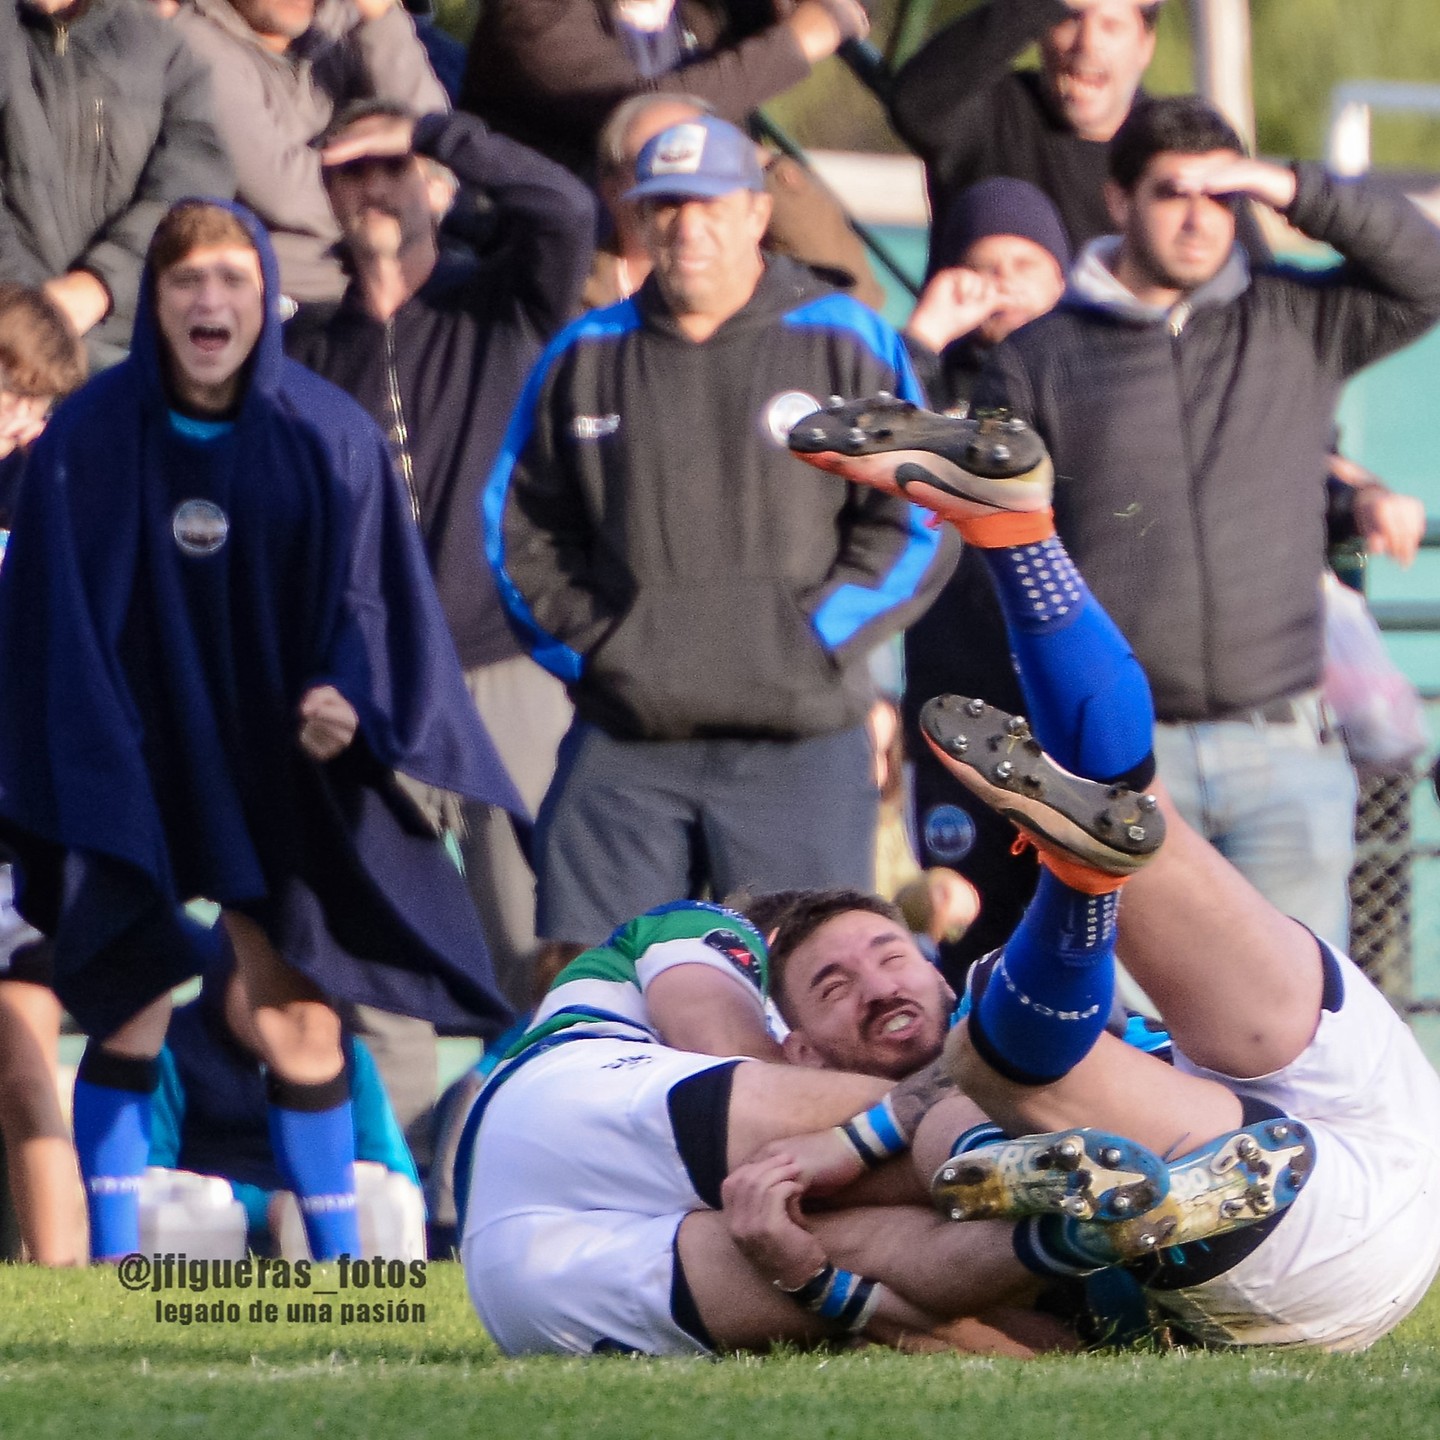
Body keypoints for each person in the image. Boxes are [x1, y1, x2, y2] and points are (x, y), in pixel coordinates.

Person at [782, 389, 1440, 1352]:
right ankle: (1015, 541)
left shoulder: (900, 1112)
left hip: (1330, 1133)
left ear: (924, 948)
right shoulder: (815, 1145)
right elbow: (946, 1320)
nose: (878, 984)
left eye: (883, 949)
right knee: (1003, 1041)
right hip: (1322, 1218)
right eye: (832, 988)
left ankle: (1016, 537)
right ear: (798, 1051)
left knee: (1117, 822)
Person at [0, 199, 521, 1263]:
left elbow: (375, 605)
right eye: (188, 280)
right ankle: (107, 1275)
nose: (210, 301)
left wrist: (347, 696)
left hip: (276, 766)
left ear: (263, 302)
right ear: (156, 301)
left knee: (297, 1019)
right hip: (133, 763)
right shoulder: (87, 437)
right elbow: (50, 614)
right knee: (129, 994)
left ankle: (335, 1274)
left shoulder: (329, 438)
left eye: (233, 279)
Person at [965, 95, 1440, 951]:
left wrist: (1285, 183)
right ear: (1118, 202)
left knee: (1300, 1050)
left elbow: (1425, 269)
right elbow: (996, 548)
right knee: (1146, 1049)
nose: (1199, 217)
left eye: (1221, 197)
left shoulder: (1297, 318)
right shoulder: (1038, 358)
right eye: (1174, 192)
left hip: (1286, 755)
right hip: (1123, 764)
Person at [485, 114, 957, 951]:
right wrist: (607, 650)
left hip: (801, 741)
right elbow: (519, 532)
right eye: (664, 206)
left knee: (814, 1006)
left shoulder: (844, 340)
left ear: (754, 213)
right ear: (639, 220)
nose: (687, 228)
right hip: (629, 741)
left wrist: (806, 640)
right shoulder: (582, 355)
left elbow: (918, 511)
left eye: (709, 204)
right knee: (599, 1002)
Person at [286, 101, 594, 1011]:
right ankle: (394, 1157)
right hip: (373, 683)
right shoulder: (301, 347)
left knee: (544, 949)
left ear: (436, 181)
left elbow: (566, 209)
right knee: (381, 957)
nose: (371, 187)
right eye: (350, 172)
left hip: (506, 665)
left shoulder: (500, 304)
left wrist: (434, 129)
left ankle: (529, 1141)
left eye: (390, 167)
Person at [896, 178, 1072, 976]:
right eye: (981, 264)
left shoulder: (1096, 377)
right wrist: (924, 338)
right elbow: (861, 458)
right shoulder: (925, 385)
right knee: (968, 945)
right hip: (952, 710)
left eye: (1023, 264)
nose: (1001, 282)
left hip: (1069, 712)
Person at [458, 0, 884, 306]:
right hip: (565, 273)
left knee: (842, 302)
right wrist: (805, 37)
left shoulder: (707, 12)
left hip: (697, 258)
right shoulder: (529, 14)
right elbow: (644, 114)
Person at [0, 286, 89, 1265]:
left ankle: (60, 1282)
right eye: (8, 392)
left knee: (27, 1069)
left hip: (24, 831)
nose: (19, 421)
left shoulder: (55, 491)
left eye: (38, 405)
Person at [0, 0, 232, 368]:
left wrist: (101, 284)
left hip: (129, 341)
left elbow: (191, 192)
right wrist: (25, 313)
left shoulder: (160, 47)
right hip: (11, 346)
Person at [169, 0, 448, 304]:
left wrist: (381, 21)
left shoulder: (338, 23)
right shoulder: (196, 44)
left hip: (403, 281)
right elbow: (285, 191)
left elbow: (438, 143)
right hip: (286, 302)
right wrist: (409, 196)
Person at [149, 946, 420, 1255]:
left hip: (330, 1225)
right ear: (222, 980)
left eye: (300, 990)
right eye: (260, 987)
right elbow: (151, 1178)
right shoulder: (171, 1049)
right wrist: (265, 1208)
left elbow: (393, 1169)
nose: (280, 1007)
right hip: (205, 1236)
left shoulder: (346, 1054)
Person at [890, 0, 1161, 268]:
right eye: (1070, 20)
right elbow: (915, 104)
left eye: (1110, 27)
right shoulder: (993, 112)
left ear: (1146, 46)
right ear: (1041, 31)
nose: (1087, 44)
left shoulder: (1168, 149)